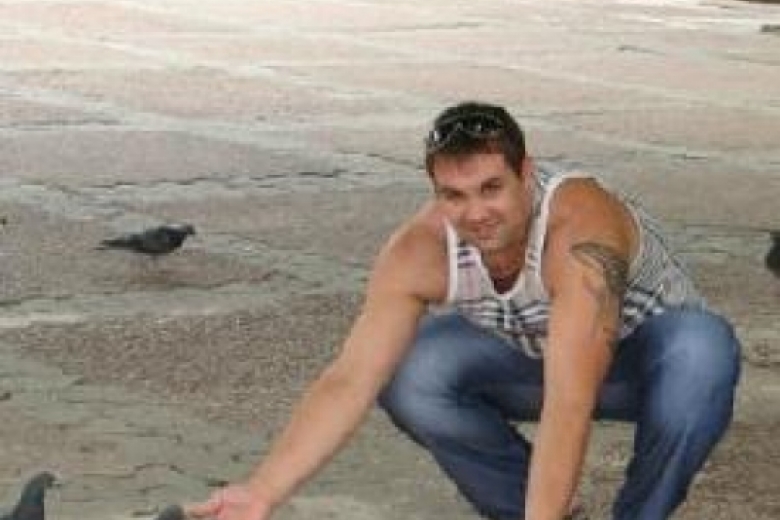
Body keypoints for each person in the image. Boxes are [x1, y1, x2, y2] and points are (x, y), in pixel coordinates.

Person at [187, 101, 741, 520]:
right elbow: (349, 379)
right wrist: (261, 493)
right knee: (409, 372)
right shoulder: (420, 249)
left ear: (527, 174)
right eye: (454, 195)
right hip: (538, 359)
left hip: (649, 364)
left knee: (703, 350)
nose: (476, 213)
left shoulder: (579, 229)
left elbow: (569, 400)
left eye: (491, 188)